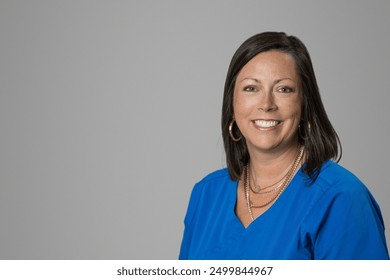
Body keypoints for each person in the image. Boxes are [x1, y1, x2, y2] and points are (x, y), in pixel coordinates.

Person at [179, 32, 389, 260]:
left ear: (304, 104)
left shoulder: (341, 198)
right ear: (232, 103)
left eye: (283, 89)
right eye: (251, 88)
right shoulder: (206, 194)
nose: (266, 104)